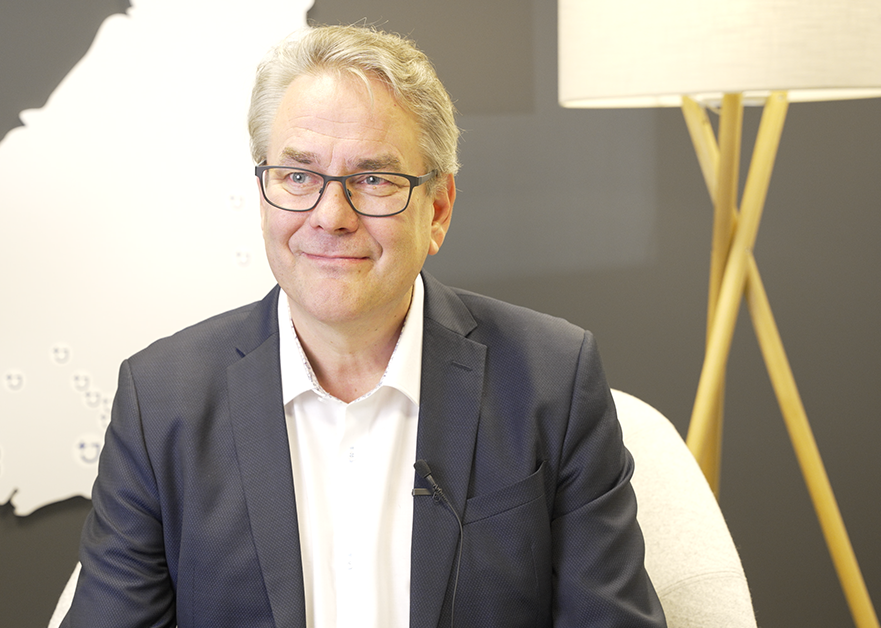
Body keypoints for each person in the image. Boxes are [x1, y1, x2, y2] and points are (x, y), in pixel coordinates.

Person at [61, 24, 665, 628]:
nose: (331, 216)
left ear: (438, 209)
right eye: (298, 175)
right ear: (264, 195)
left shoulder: (551, 381)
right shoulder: (160, 400)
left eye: (374, 179)